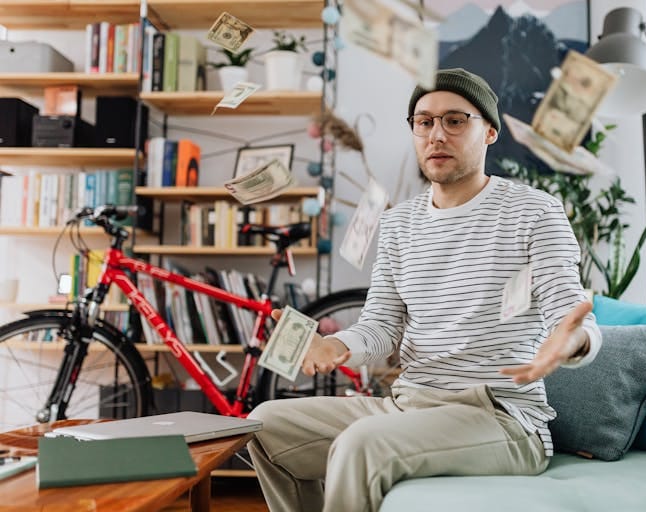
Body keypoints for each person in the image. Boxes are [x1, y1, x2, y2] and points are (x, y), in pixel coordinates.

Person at [247, 68, 602, 512]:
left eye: (455, 120)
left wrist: (571, 339)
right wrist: (335, 344)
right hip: (408, 405)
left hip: (499, 417)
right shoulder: (398, 223)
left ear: (489, 132)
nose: (437, 134)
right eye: (424, 122)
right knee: (263, 424)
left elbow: (570, 313)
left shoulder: (534, 212)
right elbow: (380, 326)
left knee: (361, 445)